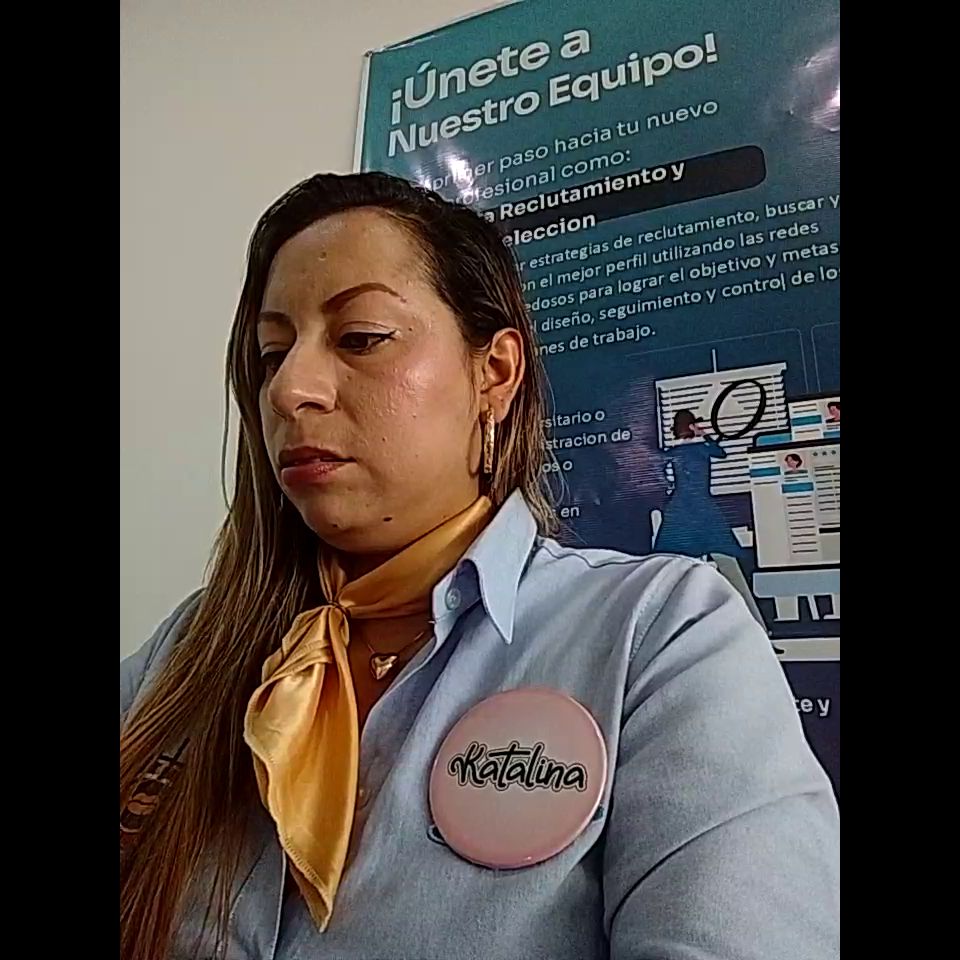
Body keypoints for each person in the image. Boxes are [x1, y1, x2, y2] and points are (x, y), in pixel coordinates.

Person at [120, 172, 839, 960]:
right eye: (271, 353)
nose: (290, 389)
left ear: (493, 373)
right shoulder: (187, 653)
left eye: (361, 337)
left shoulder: (659, 634)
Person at [654, 409, 745, 559]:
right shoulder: (702, 449)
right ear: (691, 427)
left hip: (682, 503)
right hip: (700, 503)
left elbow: (657, 467)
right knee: (723, 548)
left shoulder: (674, 452)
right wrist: (704, 435)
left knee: (669, 552)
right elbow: (720, 452)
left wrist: (667, 486)